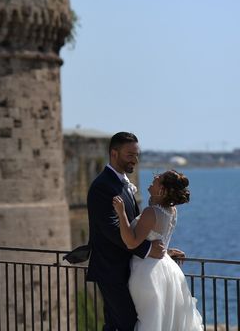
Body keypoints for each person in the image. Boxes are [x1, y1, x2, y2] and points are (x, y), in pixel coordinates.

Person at [86, 131, 165, 331]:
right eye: (130, 155)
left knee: (116, 326)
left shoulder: (121, 183)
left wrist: (165, 254)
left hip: (127, 268)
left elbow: (135, 226)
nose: (135, 160)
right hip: (111, 269)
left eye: (137, 155)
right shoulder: (102, 186)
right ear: (114, 153)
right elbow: (111, 229)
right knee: (127, 324)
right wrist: (147, 250)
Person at [113, 169, 204, 330]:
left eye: (159, 178)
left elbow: (131, 242)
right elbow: (159, 241)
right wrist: (167, 252)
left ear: (162, 189)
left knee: (149, 321)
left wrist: (121, 214)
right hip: (168, 271)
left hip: (147, 274)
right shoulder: (172, 211)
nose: (155, 177)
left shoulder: (151, 212)